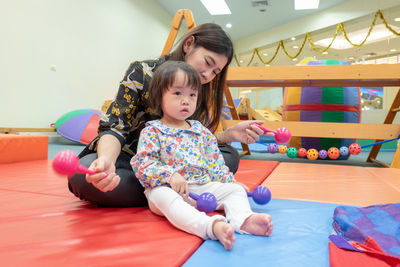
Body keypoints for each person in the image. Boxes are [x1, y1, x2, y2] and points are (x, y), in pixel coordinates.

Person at [68, 23, 265, 207]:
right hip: (134, 160)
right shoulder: (142, 72)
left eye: (215, 72)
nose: (207, 75)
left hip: (181, 166)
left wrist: (228, 136)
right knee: (81, 175)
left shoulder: (199, 89)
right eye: (207, 62)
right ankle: (172, 190)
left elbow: (196, 141)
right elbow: (115, 127)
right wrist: (106, 161)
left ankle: (165, 192)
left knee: (229, 156)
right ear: (189, 44)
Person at [131, 61, 273, 250]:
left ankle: (244, 220)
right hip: (168, 188)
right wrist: (170, 175)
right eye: (177, 93)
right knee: (164, 197)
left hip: (202, 186)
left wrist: (229, 181)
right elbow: (144, 164)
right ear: (159, 97)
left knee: (236, 191)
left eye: (192, 94)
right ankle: (210, 226)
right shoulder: (152, 131)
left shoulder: (201, 131)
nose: (186, 100)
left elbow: (215, 162)